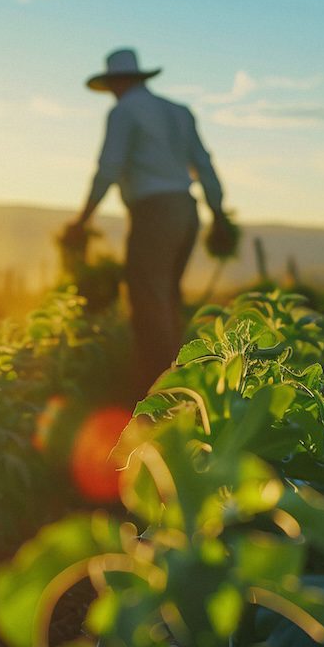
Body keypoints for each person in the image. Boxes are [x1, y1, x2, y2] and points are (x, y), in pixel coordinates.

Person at [65, 48, 227, 398]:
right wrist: (219, 214)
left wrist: (82, 220)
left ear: (117, 82)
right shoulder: (179, 112)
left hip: (153, 211)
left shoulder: (123, 112)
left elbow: (108, 168)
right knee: (167, 298)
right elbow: (205, 165)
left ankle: (160, 394)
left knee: (149, 305)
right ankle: (182, 386)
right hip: (187, 210)